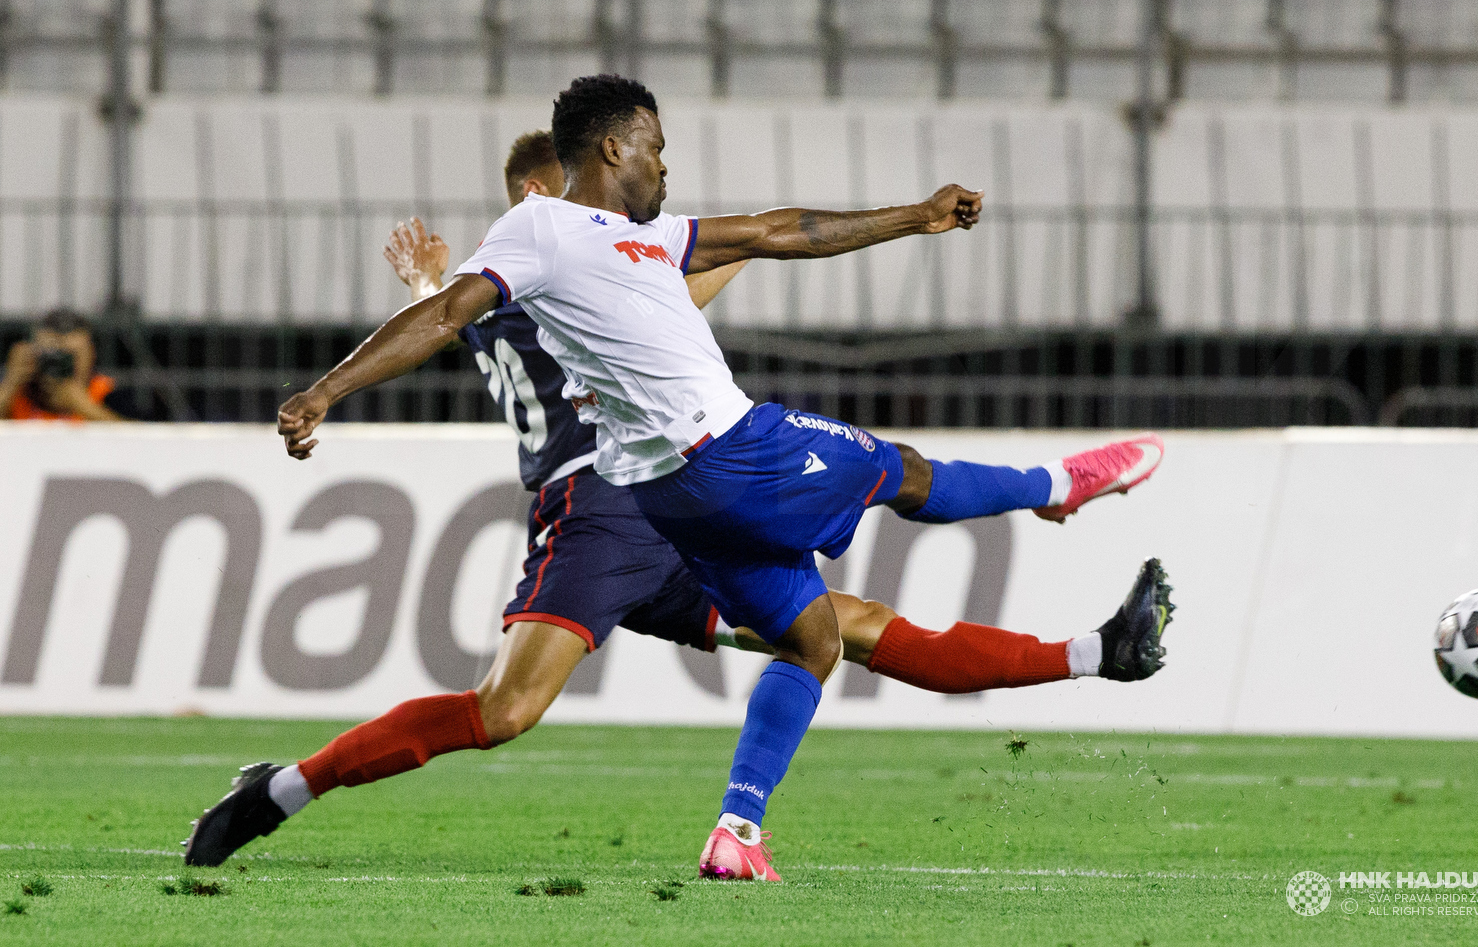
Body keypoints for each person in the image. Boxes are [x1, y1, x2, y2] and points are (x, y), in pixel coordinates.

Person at [183, 128, 1169, 872]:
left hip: (653, 511)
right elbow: (689, 269)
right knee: (507, 709)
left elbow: (464, 317)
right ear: (548, 190)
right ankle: (283, 787)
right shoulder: (552, 254)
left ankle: (1093, 653)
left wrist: (432, 285)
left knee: (833, 632)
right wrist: (715, 244)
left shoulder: (513, 289)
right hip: (604, 512)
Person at [0, 308, 125, 422]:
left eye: (69, 357)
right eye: (51, 356)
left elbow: (136, 438)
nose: (58, 365)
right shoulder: (20, 395)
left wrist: (84, 406)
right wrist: (10, 384)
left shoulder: (107, 393)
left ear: (91, 354)